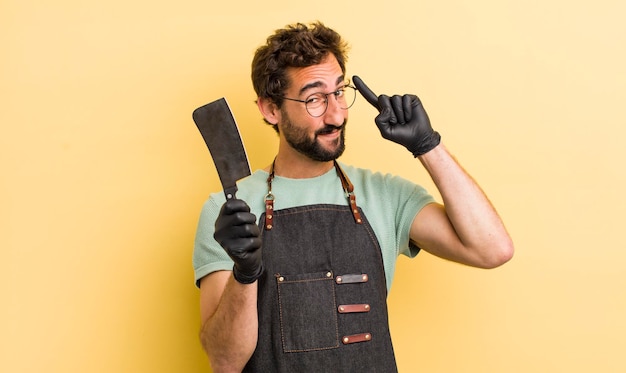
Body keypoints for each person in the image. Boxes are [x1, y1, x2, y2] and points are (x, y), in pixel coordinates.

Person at [193, 21, 514, 372]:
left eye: (339, 92)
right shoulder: (230, 212)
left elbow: (492, 249)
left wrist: (428, 145)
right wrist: (245, 272)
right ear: (271, 109)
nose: (336, 114)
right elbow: (225, 362)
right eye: (314, 98)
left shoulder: (385, 195)